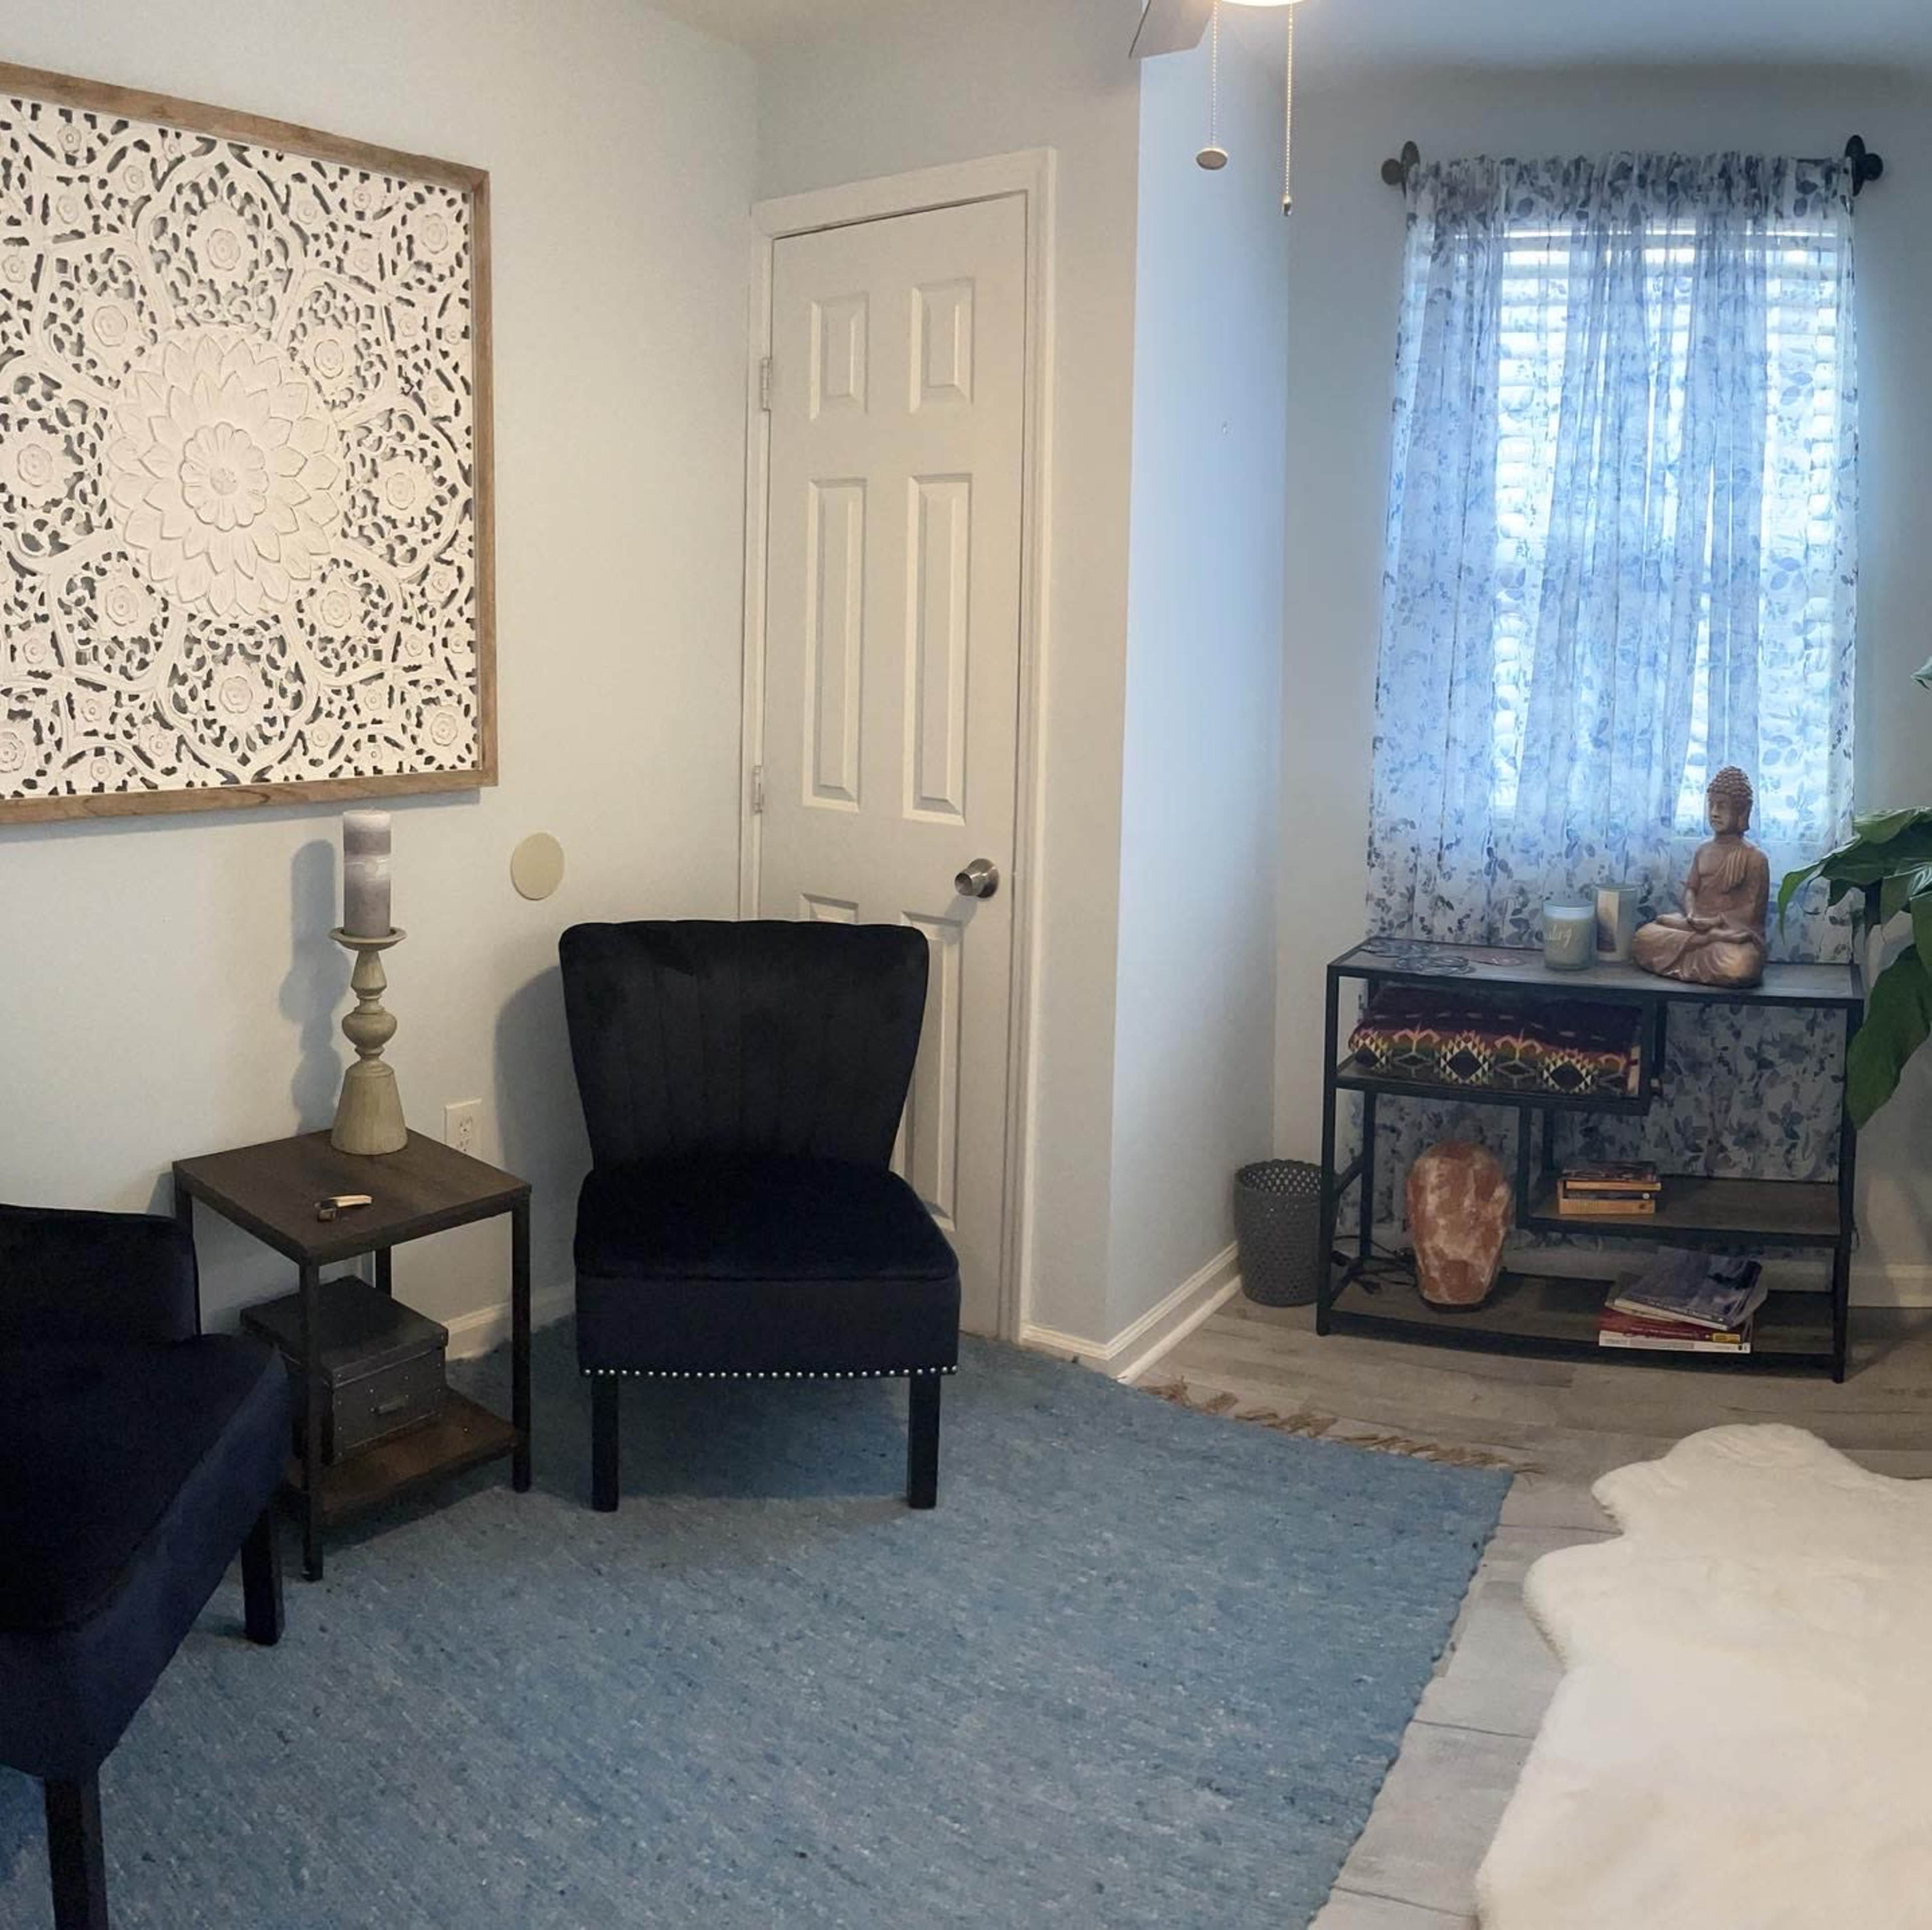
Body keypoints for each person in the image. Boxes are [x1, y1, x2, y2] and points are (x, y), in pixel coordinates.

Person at [1630, 767, 1770, 988]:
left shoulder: (1755, 858)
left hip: (1729, 933)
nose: (1714, 812)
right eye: (1711, 805)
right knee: (1644, 937)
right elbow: (1691, 890)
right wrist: (1693, 913)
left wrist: (1717, 922)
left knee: (1742, 964)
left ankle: (1701, 944)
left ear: (1742, 811)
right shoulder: (1703, 850)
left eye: (1722, 806)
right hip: (1696, 926)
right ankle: (1701, 942)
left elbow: (1752, 912)